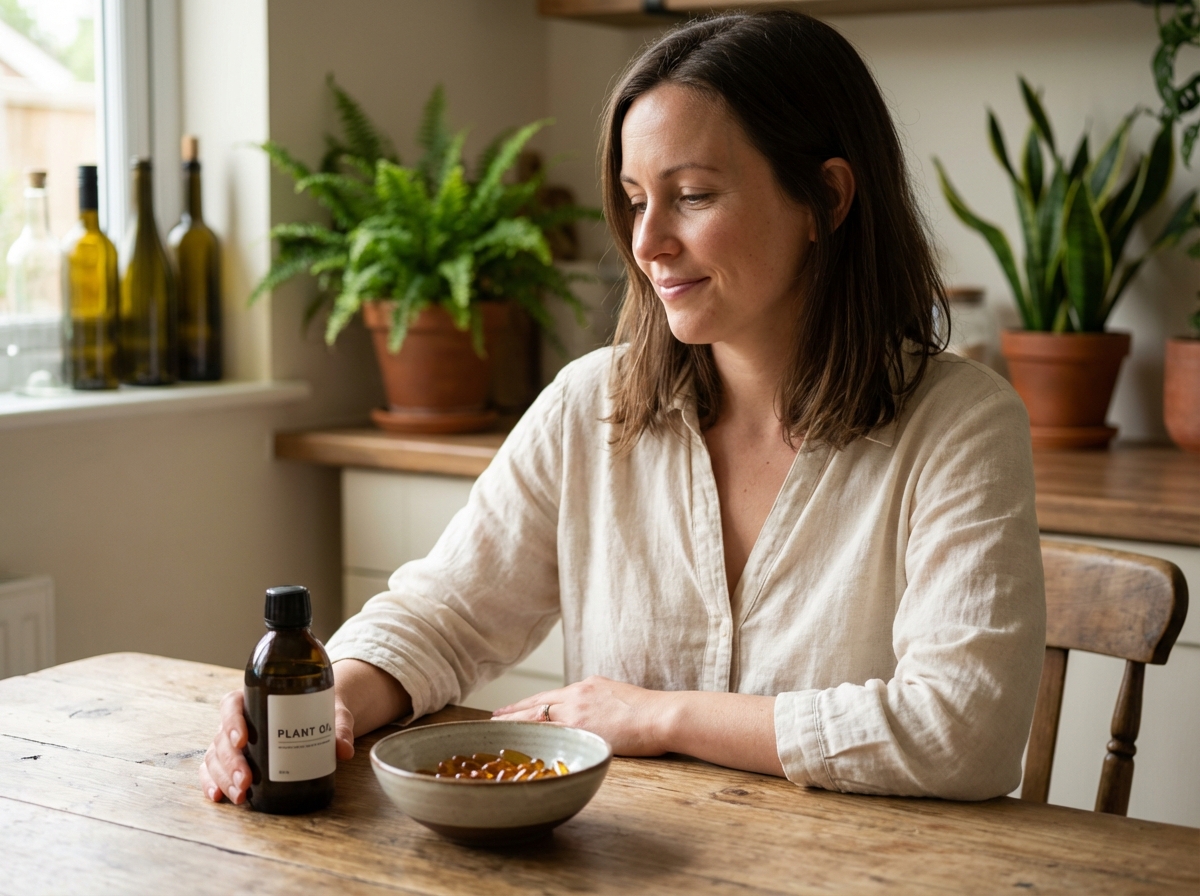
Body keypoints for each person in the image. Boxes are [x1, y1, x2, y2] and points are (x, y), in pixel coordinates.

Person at [202, 10, 1044, 806]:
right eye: (638, 200)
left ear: (825, 199)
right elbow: (446, 615)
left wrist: (660, 714)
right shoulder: (589, 403)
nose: (646, 244)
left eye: (694, 195)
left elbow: (965, 729)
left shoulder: (961, 424)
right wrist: (322, 698)